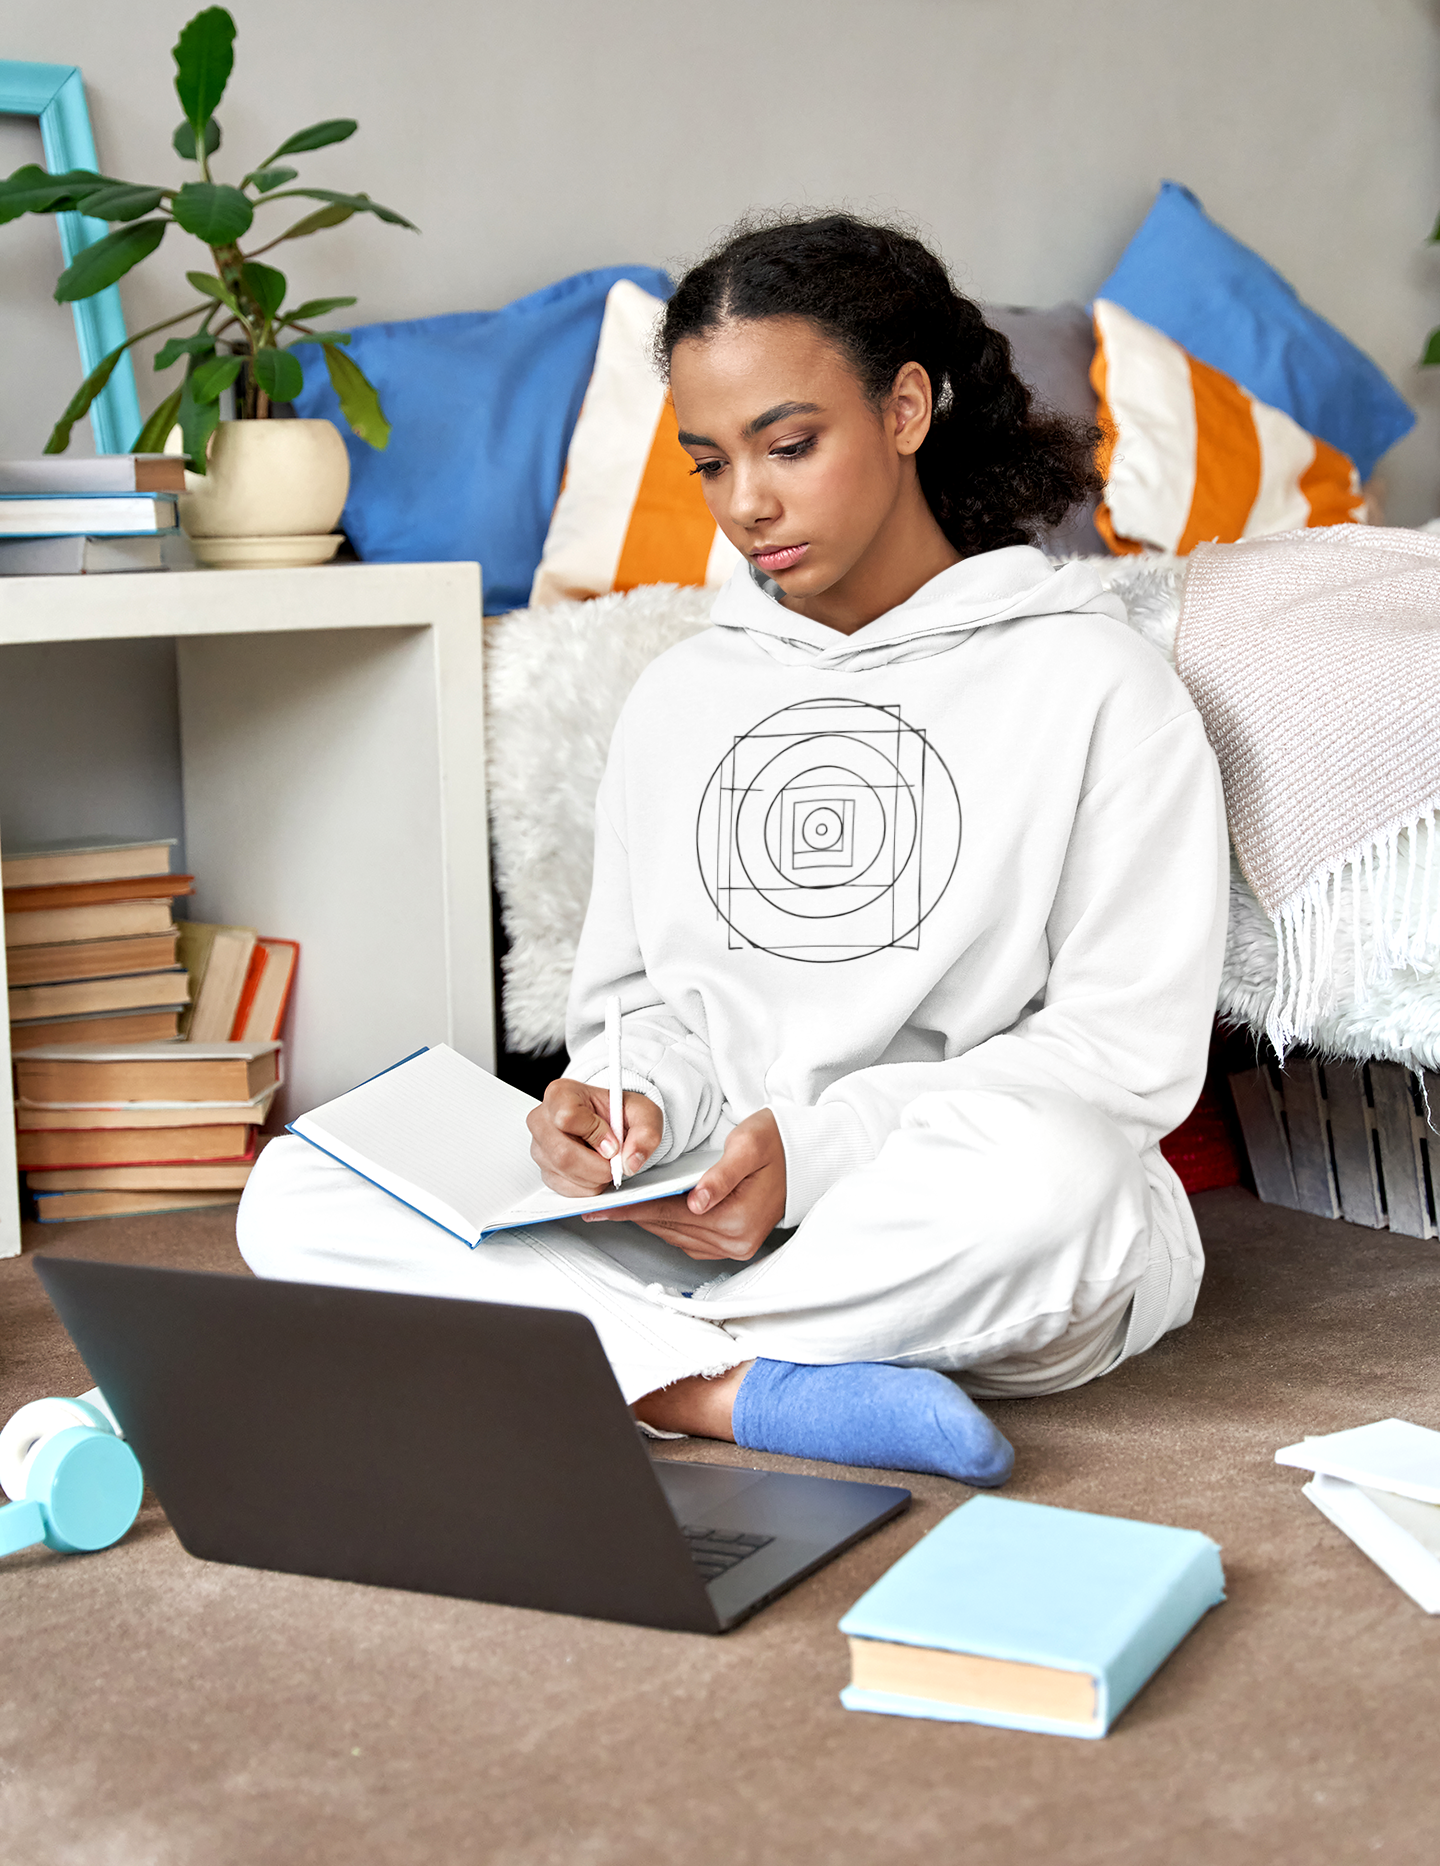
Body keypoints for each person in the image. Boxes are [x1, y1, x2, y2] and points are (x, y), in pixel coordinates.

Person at [238, 212, 1227, 1487]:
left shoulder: (1094, 682)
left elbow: (1117, 1065)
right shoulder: (686, 693)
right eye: (710, 463)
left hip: (926, 1215)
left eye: (791, 445)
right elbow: (644, 1005)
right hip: (696, 1213)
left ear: (909, 408)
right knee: (300, 1187)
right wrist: (625, 1105)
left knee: (1073, 1190)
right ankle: (734, 1390)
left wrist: (810, 1157)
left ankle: (613, 1361)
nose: (748, 504)